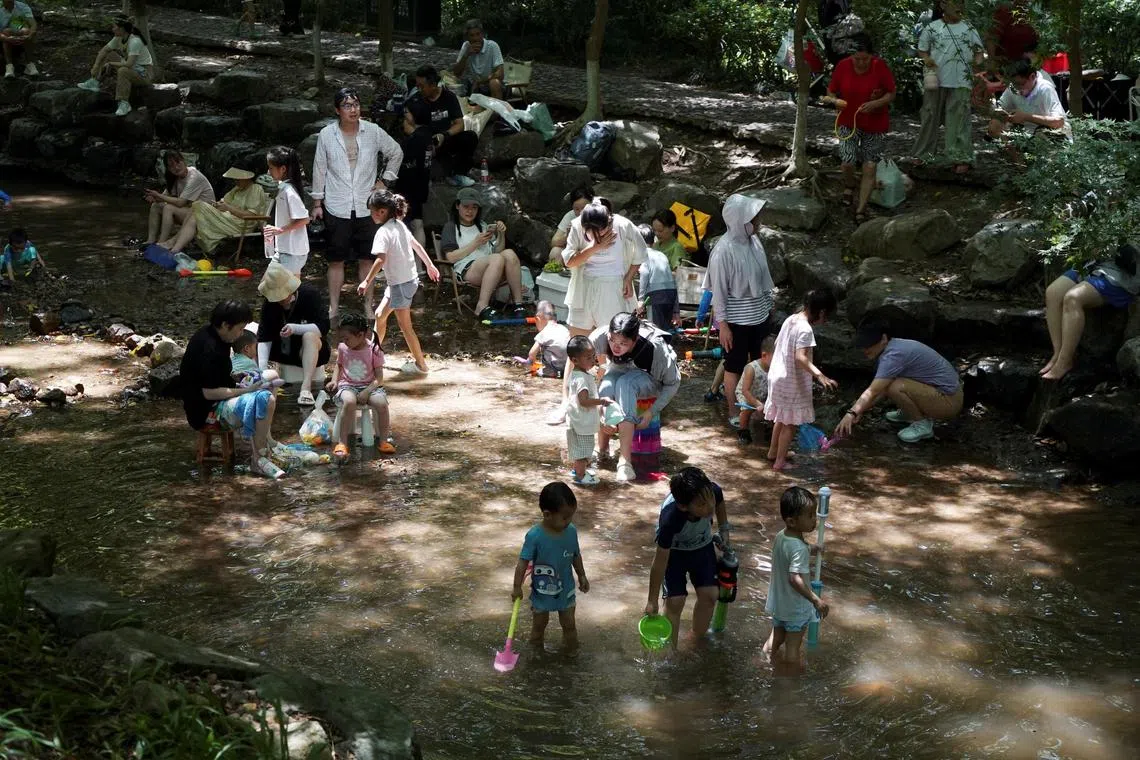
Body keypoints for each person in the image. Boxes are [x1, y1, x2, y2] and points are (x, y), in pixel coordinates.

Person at [311, 87, 404, 320]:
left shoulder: (372, 131)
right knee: (336, 259)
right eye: (347, 105)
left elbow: (396, 152)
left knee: (368, 259)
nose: (353, 110)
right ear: (337, 110)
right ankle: (333, 306)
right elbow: (319, 167)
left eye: (356, 104)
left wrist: (384, 181)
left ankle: (368, 306)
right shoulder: (326, 134)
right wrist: (317, 202)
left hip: (367, 205)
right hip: (336, 203)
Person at [180, 300, 283, 479]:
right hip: (206, 411)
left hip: (220, 395)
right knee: (265, 399)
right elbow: (208, 392)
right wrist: (245, 391)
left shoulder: (215, 336)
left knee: (270, 381)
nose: (241, 333)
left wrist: (238, 379)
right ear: (226, 325)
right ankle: (258, 459)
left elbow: (219, 376)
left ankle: (264, 443)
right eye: (240, 328)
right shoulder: (209, 348)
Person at [703, 194, 777, 427]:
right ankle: (733, 411)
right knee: (734, 365)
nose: (758, 223)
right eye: (754, 219)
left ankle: (756, 407)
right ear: (740, 221)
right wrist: (722, 325)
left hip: (759, 316)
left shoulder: (754, 242)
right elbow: (719, 293)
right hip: (736, 320)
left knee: (759, 364)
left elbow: (763, 279)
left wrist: (768, 305)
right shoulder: (723, 251)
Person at [644, 467, 730, 650]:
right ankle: (671, 652)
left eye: (709, 501)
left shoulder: (711, 491)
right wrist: (652, 601)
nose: (709, 507)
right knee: (675, 602)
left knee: (710, 596)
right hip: (674, 554)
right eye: (701, 505)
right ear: (683, 506)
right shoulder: (671, 519)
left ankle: (695, 640)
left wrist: (724, 530)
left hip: (702, 547)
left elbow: (719, 501)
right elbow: (659, 562)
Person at [357, 189, 440, 377]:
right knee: (379, 315)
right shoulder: (399, 225)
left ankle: (421, 366)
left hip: (401, 285)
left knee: (405, 327)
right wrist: (430, 265)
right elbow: (417, 245)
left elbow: (380, 260)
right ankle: (374, 355)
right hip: (405, 281)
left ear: (382, 211)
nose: (371, 215)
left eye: (372, 211)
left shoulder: (383, 232)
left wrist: (366, 281)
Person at [590, 312, 681, 484]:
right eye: (612, 340)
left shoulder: (654, 348)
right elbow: (577, 363)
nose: (616, 347)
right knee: (606, 385)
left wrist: (650, 412)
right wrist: (600, 415)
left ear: (635, 340)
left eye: (623, 343)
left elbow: (673, 383)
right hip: (619, 369)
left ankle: (625, 462)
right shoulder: (599, 336)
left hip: (651, 379)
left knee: (626, 384)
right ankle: (601, 448)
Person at [834, 323, 963, 443]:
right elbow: (881, 390)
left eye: (869, 344)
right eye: (862, 344)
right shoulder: (895, 346)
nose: (865, 349)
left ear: (884, 339)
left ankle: (922, 424)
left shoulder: (894, 356)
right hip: (945, 393)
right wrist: (861, 410)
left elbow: (873, 391)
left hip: (949, 401)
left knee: (895, 387)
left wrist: (851, 413)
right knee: (891, 384)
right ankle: (909, 412)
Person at [822, 33, 897, 223]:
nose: (862, 63)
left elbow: (891, 92)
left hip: (875, 122)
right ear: (851, 56)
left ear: (871, 56)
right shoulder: (843, 66)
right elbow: (830, 91)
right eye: (858, 59)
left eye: (865, 59)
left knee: (870, 166)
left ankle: (860, 210)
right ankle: (849, 185)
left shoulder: (879, 66)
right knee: (847, 162)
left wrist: (877, 103)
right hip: (848, 121)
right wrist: (834, 101)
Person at [1040, 243, 1140, 380]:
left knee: (1073, 298)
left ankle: (1065, 361)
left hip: (1122, 274)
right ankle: (1058, 354)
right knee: (1053, 293)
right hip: (1093, 265)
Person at [764, 290, 838, 470]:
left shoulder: (792, 319)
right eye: (826, 317)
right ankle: (780, 462)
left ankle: (774, 452)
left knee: (781, 419)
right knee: (790, 424)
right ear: (821, 312)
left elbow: (777, 344)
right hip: (790, 382)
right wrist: (820, 375)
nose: (825, 321)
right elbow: (800, 357)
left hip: (777, 375)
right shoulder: (805, 329)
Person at [512, 482, 589, 653]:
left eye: (571, 516)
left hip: (566, 588)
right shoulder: (535, 536)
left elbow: (575, 555)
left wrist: (582, 575)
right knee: (539, 627)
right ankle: (536, 658)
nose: (569, 521)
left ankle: (572, 654)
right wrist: (517, 587)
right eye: (565, 517)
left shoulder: (571, 531)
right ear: (547, 515)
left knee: (569, 625)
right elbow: (522, 562)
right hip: (542, 590)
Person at [912, 1, 985, 174]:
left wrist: (976, 69)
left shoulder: (969, 28)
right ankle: (923, 154)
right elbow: (922, 50)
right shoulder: (932, 27)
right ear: (943, 4)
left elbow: (979, 53)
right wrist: (926, 59)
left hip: (961, 81)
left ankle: (960, 157)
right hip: (935, 80)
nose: (960, 6)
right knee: (929, 116)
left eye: (962, 2)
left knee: (959, 119)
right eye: (956, 2)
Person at [562, 198, 647, 339]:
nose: (597, 235)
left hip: (613, 285)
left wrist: (628, 278)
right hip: (583, 285)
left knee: (608, 338)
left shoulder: (623, 225)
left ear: (609, 222)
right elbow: (569, 261)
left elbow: (640, 253)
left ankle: (605, 362)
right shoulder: (578, 225)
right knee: (578, 340)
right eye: (590, 232)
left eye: (600, 231)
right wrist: (594, 247)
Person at [763, 486, 828, 666]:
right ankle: (789, 680)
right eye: (809, 515)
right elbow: (794, 578)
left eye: (814, 514)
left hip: (780, 605)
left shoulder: (781, 536)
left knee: (777, 637)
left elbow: (793, 551)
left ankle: (762, 661)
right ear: (792, 521)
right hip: (796, 609)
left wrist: (812, 549)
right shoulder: (798, 548)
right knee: (793, 647)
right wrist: (815, 599)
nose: (814, 519)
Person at [440, 186, 525, 320]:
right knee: (496, 259)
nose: (470, 211)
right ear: (457, 206)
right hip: (467, 270)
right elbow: (450, 258)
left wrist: (501, 234)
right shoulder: (451, 227)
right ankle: (482, 306)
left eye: (474, 207)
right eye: (466, 206)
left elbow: (497, 251)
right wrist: (475, 243)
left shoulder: (482, 225)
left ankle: (518, 304)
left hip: (492, 267)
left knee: (509, 253)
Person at [256, 261, 330, 406]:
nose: (279, 300)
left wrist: (295, 328)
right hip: (283, 352)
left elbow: (323, 328)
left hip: (309, 349)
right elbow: (264, 335)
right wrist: (262, 370)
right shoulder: (270, 303)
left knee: (309, 336)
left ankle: (306, 387)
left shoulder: (310, 295)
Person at [325, 312, 393, 461]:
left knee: (381, 403)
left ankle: (383, 440)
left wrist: (367, 391)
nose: (344, 341)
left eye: (347, 338)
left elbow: (379, 378)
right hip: (348, 385)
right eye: (342, 338)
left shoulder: (374, 349)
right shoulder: (343, 348)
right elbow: (339, 364)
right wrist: (335, 380)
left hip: (370, 386)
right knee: (349, 401)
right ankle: (342, 443)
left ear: (361, 335)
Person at [402, 65, 480, 191]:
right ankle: (422, 177)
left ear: (433, 85)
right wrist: (421, 137)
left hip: (443, 139)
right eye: (417, 85)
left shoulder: (449, 98)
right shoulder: (416, 99)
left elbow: (460, 124)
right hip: (424, 142)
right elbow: (407, 125)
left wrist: (445, 135)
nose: (418, 89)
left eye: (422, 86)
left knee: (470, 137)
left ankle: (457, 174)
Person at [162, 167, 269, 257]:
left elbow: (251, 215)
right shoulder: (237, 189)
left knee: (198, 205)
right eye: (235, 179)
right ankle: (175, 250)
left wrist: (228, 208)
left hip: (242, 224)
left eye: (238, 179)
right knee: (195, 213)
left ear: (247, 178)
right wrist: (218, 205)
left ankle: (173, 243)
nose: (235, 181)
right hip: (228, 220)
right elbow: (224, 201)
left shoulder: (255, 189)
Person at [76, 15, 153, 117]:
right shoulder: (118, 38)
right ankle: (94, 81)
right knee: (107, 54)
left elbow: (129, 64)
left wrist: (111, 64)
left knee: (123, 71)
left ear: (121, 28)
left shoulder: (135, 41)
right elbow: (104, 50)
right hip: (132, 68)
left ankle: (124, 103)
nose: (112, 29)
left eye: (114, 26)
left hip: (144, 74)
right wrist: (95, 66)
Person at [565, 335, 613, 486]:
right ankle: (580, 476)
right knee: (583, 452)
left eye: (593, 356)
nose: (592, 360)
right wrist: (602, 401)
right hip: (581, 424)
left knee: (580, 448)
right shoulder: (581, 379)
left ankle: (578, 471)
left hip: (579, 421)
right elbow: (584, 401)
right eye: (588, 357)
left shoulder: (581, 373)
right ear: (575, 360)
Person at [143, 151, 216, 248]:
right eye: (171, 166)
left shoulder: (194, 177)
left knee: (169, 208)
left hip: (203, 216)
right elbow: (165, 197)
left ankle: (162, 242)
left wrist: (159, 196)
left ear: (184, 161)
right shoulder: (175, 178)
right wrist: (154, 197)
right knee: (156, 206)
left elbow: (180, 203)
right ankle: (150, 240)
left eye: (178, 163)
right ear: (168, 168)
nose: (176, 167)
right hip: (188, 213)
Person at [987, 60, 1070, 142]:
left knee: (1040, 135)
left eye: (1020, 84)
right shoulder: (1013, 87)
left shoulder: (1045, 89)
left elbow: (1059, 121)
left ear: (1032, 77)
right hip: (1026, 132)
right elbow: (1000, 107)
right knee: (995, 124)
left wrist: (1026, 117)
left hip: (1051, 135)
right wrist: (997, 111)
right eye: (1014, 84)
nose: (1017, 88)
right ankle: (1009, 150)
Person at [263, 146, 309, 274]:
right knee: (279, 290)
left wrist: (280, 230)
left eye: (271, 168)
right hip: (285, 250)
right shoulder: (282, 188)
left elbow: (304, 219)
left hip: (292, 252)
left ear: (283, 169)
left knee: (279, 291)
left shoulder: (289, 191)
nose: (268, 172)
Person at [636, 224, 679, 333]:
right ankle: (666, 346)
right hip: (671, 293)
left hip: (656, 295)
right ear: (653, 240)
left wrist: (640, 300)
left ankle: (656, 348)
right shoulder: (661, 254)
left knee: (653, 328)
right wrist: (676, 311)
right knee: (665, 328)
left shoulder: (643, 254)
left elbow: (644, 273)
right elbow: (672, 280)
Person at [735, 334, 775, 446]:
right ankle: (743, 432)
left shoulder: (775, 369)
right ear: (764, 355)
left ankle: (770, 430)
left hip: (763, 392)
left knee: (772, 410)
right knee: (746, 411)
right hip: (747, 393)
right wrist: (756, 403)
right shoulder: (751, 368)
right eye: (775, 360)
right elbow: (745, 390)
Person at [452, 19, 504, 99]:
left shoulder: (492, 46)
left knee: (494, 83)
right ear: (467, 37)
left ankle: (496, 110)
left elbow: (500, 74)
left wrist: (480, 82)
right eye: (472, 35)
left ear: (482, 34)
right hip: (476, 86)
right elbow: (456, 73)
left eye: (478, 34)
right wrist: (466, 55)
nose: (475, 38)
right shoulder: (466, 46)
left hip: (490, 83)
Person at [548, 187, 594, 264]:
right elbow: (554, 242)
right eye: (576, 209)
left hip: (593, 255)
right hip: (573, 255)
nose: (580, 213)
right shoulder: (570, 216)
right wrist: (567, 236)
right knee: (555, 252)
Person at [527, 300, 569, 378]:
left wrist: (532, 365)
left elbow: (531, 354)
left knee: (532, 368)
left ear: (537, 319)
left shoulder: (544, 333)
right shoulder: (564, 329)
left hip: (553, 369)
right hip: (567, 367)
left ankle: (549, 373)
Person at [0, 0, 36, 78]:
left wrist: (30, 34)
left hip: (19, 36)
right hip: (2, 39)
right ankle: (9, 66)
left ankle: (30, 65)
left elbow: (33, 24)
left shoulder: (23, 7)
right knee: (6, 31)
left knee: (27, 31)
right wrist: (6, 38)